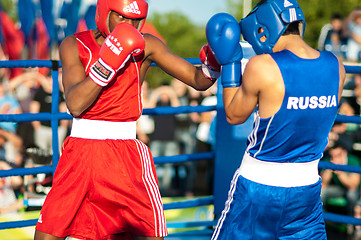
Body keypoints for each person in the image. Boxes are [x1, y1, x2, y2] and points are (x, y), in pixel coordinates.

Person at [34, 0, 217, 239]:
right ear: (105, 12)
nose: (130, 26)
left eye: (136, 19)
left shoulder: (146, 46)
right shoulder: (74, 44)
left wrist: (214, 62)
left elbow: (198, 80)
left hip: (125, 155)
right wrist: (107, 63)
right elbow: (76, 104)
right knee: (46, 235)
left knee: (149, 235)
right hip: (81, 151)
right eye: (122, 17)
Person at [206, 0, 346, 239]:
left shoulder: (263, 66)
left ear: (262, 29)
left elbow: (234, 114)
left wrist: (230, 63)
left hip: (258, 188)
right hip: (306, 189)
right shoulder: (337, 66)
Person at [321, 140, 361, 216]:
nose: (334, 159)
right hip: (338, 189)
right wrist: (328, 170)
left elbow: (353, 186)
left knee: (351, 194)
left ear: (344, 153)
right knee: (321, 192)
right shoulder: (328, 160)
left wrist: (340, 173)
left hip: (356, 191)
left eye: (337, 155)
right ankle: (322, 218)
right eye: (332, 156)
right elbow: (323, 185)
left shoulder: (353, 160)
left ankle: (351, 220)